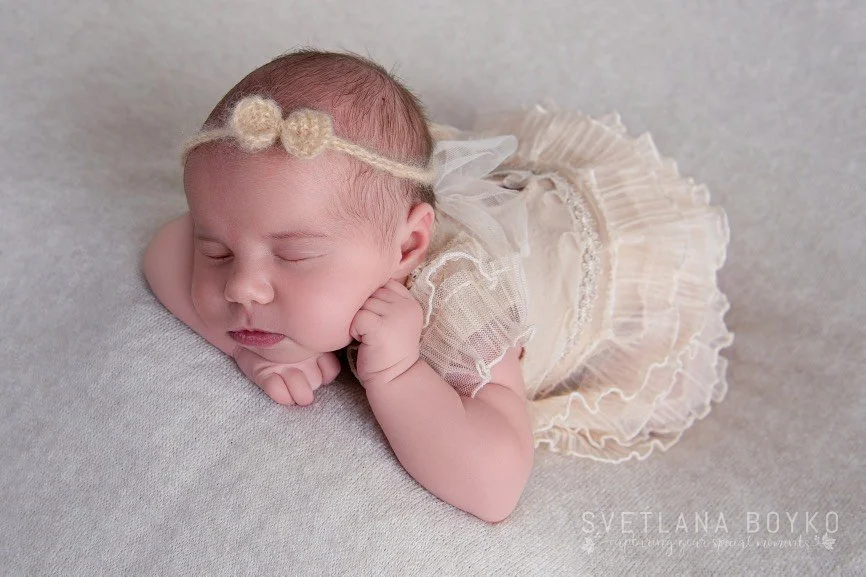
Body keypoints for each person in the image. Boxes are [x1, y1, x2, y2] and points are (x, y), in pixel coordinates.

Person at [142, 48, 734, 523]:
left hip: (601, 267)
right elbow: (165, 248)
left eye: (293, 255)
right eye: (216, 248)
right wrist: (250, 351)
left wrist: (398, 376)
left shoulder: (460, 305)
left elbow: (496, 484)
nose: (242, 287)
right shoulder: (276, 250)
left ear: (406, 250)